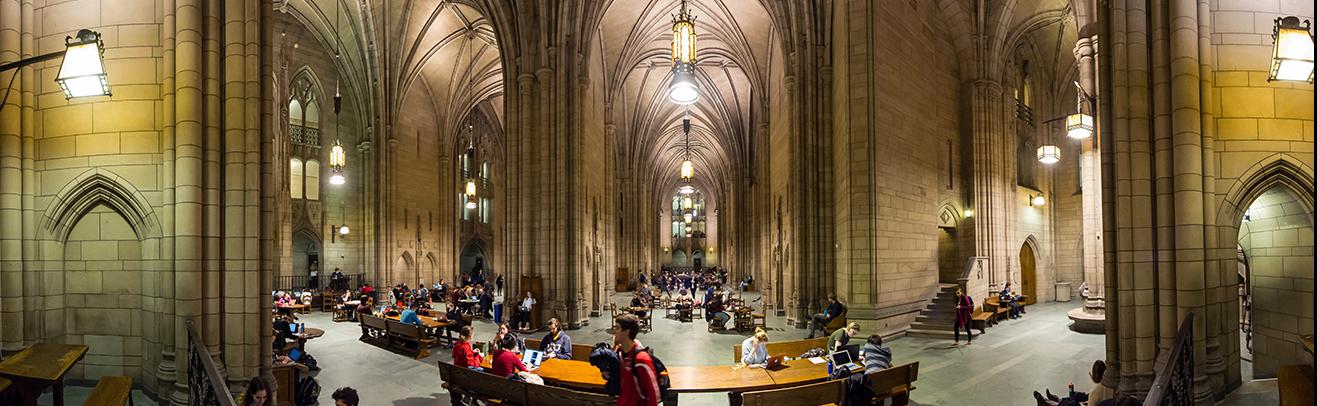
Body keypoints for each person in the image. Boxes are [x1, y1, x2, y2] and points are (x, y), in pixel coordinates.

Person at [613, 314, 660, 406]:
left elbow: (653, 394)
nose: (614, 331)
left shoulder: (641, 360)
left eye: (617, 328)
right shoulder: (620, 353)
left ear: (626, 332)